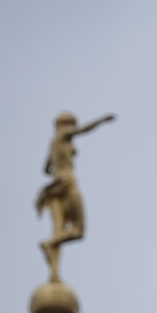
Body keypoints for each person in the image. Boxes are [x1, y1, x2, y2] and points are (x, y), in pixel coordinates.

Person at [35, 112, 115, 282]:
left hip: (54, 187)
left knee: (59, 229)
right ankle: (49, 244)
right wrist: (101, 120)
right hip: (69, 183)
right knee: (79, 230)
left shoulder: (53, 143)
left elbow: (45, 169)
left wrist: (57, 169)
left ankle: (54, 272)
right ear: (65, 125)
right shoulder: (63, 135)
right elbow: (84, 129)